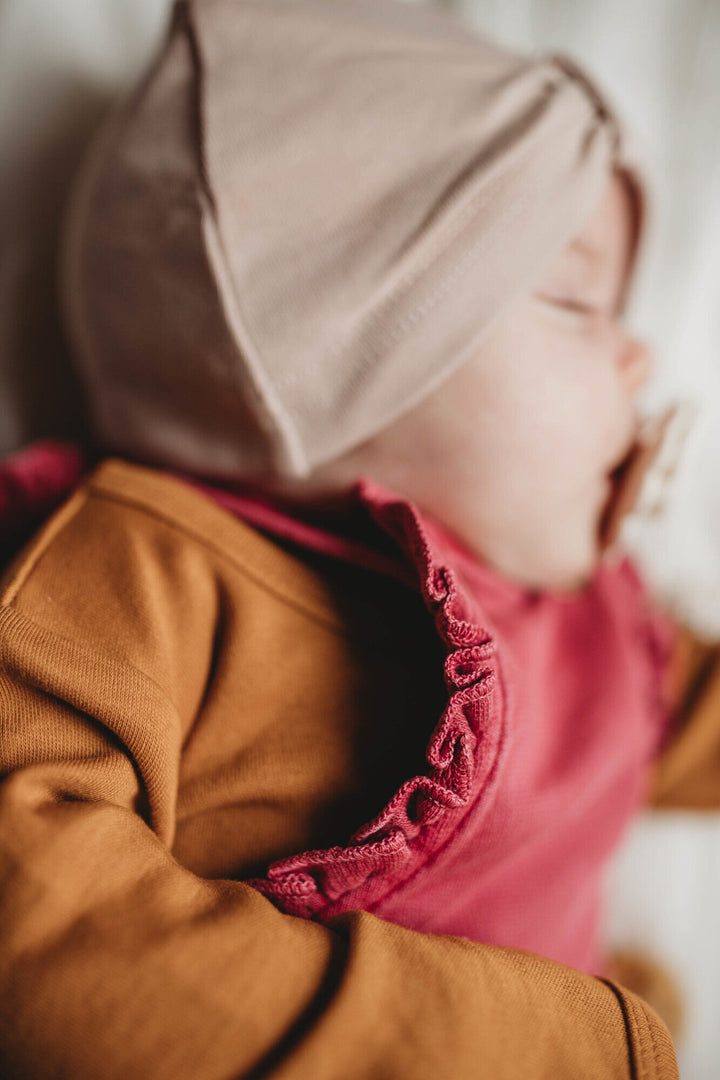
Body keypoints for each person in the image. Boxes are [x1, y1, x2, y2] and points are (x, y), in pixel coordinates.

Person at [0, 0, 717, 1076]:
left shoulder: (597, 625)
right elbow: (40, 909)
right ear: (327, 358)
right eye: (576, 299)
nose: (640, 362)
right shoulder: (148, 570)